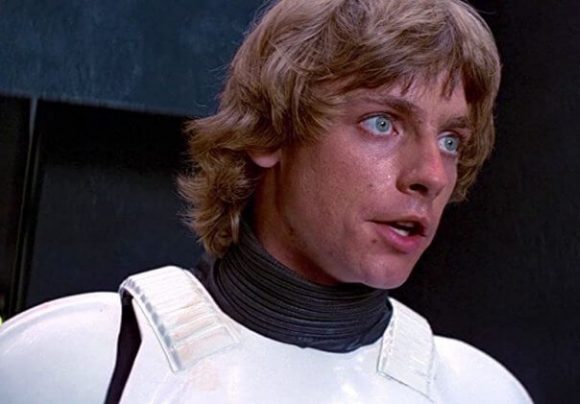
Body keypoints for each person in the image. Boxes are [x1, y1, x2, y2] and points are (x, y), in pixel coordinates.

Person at [0, 0, 532, 402]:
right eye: (381, 123)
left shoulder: (477, 391)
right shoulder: (77, 362)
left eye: (450, 141)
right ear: (271, 131)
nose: (432, 175)